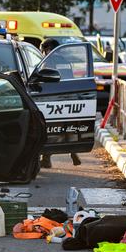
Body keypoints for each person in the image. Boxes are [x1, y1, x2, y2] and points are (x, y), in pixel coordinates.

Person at [39, 38, 81, 168]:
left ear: (48, 49)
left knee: (50, 128)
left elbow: (42, 78)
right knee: (67, 127)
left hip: (52, 96)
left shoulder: (48, 61)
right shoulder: (66, 61)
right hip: (67, 95)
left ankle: (46, 159)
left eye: (43, 50)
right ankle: (73, 151)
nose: (43, 53)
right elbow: (71, 77)